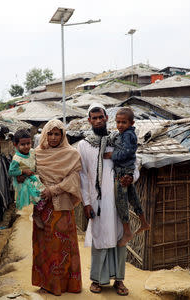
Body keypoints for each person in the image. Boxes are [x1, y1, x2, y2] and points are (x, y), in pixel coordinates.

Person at [77, 103, 138, 296]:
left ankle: (119, 280)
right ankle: (97, 280)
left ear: (106, 118)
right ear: (89, 121)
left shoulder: (118, 140)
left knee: (120, 236)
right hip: (97, 200)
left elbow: (134, 162)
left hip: (118, 197)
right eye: (93, 118)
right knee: (99, 237)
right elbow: (83, 176)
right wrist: (86, 203)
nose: (97, 121)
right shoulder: (84, 144)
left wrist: (132, 177)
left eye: (100, 117)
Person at [32, 119, 83, 296]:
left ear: (63, 136)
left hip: (61, 205)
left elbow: (74, 179)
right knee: (43, 244)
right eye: (50, 134)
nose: (53, 138)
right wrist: (38, 187)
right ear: (45, 134)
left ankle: (67, 284)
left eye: (57, 134)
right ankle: (46, 283)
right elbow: (31, 174)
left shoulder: (72, 154)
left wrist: (53, 190)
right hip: (42, 206)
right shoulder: (36, 154)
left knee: (62, 245)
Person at [104, 107, 150, 247]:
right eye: (118, 122)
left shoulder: (129, 135)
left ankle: (127, 231)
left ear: (132, 123)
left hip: (123, 172)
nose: (120, 125)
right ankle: (144, 222)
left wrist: (112, 155)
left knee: (121, 201)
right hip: (126, 171)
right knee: (133, 197)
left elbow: (127, 153)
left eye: (123, 122)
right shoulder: (122, 134)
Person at [8, 129, 45, 229]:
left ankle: (37, 213)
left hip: (32, 178)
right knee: (39, 195)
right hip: (24, 183)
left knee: (42, 195)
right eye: (23, 144)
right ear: (15, 145)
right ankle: (36, 215)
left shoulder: (32, 152)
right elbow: (11, 172)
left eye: (28, 143)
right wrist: (23, 172)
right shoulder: (16, 158)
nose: (26, 147)